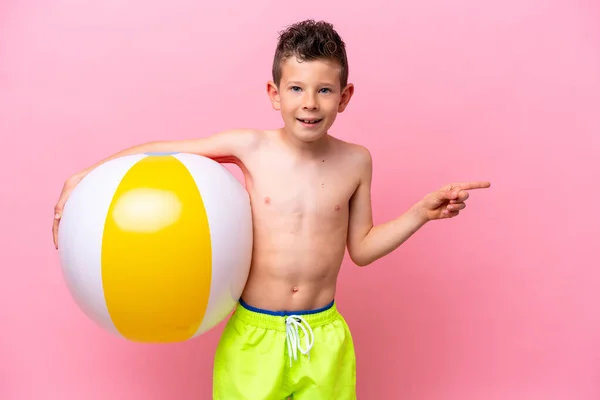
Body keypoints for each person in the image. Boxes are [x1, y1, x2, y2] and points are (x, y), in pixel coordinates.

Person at [52, 19, 490, 399]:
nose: (310, 103)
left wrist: (420, 213)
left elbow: (362, 248)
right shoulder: (250, 148)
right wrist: (87, 175)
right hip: (253, 336)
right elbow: (164, 150)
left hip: (323, 337)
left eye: (324, 90)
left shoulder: (357, 160)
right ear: (274, 93)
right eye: (296, 88)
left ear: (345, 95)